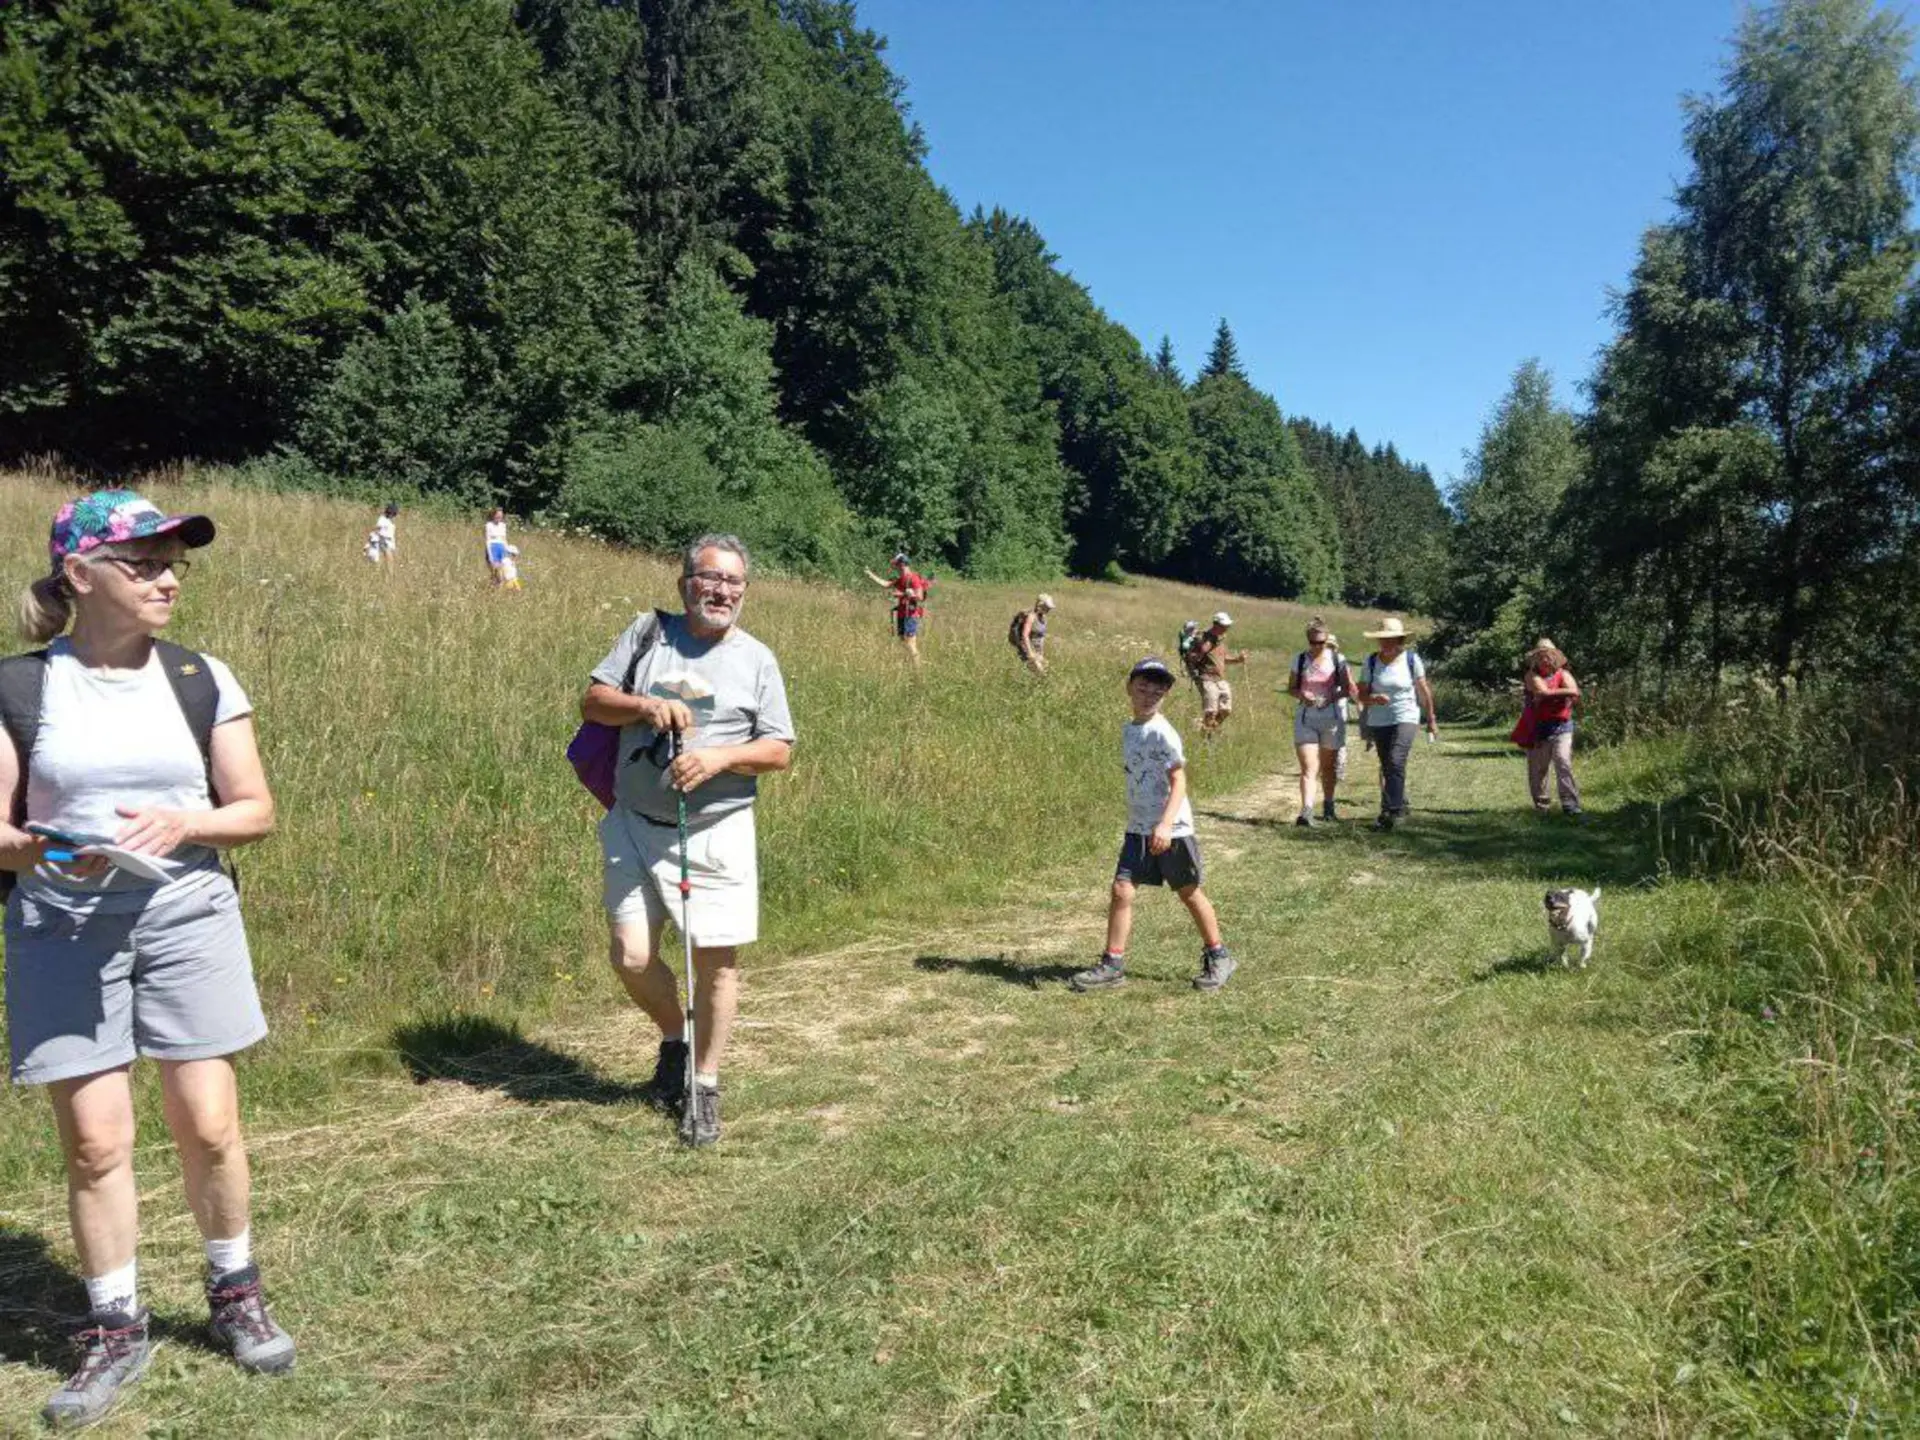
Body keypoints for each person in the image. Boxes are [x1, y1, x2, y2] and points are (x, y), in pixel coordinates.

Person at [0, 491, 294, 1430]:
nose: (168, 577)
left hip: (185, 912)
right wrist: (45, 850)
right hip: (62, 922)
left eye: (175, 562)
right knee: (95, 1141)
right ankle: (115, 1326)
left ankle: (234, 1290)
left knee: (209, 1122)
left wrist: (188, 821)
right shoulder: (20, 688)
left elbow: (254, 809)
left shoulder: (203, 678)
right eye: (144, 563)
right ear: (79, 576)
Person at [580, 534, 795, 1147]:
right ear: (684, 584)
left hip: (715, 827)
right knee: (632, 957)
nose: (722, 591)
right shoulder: (648, 633)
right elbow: (592, 701)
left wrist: (721, 758)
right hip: (633, 821)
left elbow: (778, 750)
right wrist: (645, 707)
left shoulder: (758, 659)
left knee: (716, 962)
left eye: (734, 583)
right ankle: (675, 1036)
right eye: (710, 578)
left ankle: (703, 1084)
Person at [1070, 657, 1235, 994]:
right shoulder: (1129, 729)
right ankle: (1113, 964)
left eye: (1157, 688)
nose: (1149, 693)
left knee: (1189, 893)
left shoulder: (1163, 732)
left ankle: (1219, 956)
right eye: (1143, 686)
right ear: (1129, 687)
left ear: (1166, 694)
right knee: (1121, 890)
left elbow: (1180, 782)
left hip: (1170, 829)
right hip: (1138, 828)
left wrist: (1164, 824)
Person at [1357, 616, 1438, 831]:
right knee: (1387, 765)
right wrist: (1374, 699)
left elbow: (1423, 690)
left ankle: (1391, 811)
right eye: (1383, 639)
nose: (1387, 643)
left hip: (1406, 716)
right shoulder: (1371, 661)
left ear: (1400, 639)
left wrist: (1431, 719)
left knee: (1395, 759)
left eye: (1392, 639)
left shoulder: (1412, 659)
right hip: (1379, 719)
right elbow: (1361, 694)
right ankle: (1399, 802)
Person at [1286, 618, 1356, 826]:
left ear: (1327, 640)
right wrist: (1302, 694)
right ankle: (1306, 810)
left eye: (1322, 642)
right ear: (1308, 641)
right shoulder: (1299, 660)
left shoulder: (1337, 659)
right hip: (1306, 718)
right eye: (1314, 642)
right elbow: (1290, 688)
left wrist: (1331, 697)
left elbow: (1346, 689)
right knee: (1309, 767)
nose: (1318, 646)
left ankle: (1328, 804)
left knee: (1328, 767)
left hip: (1331, 719)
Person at [1521, 637, 1582, 815]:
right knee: (1538, 769)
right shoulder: (1531, 675)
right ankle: (1542, 807)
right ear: (1535, 659)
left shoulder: (1563, 674)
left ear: (1554, 657)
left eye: (1548, 655)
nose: (1545, 659)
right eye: (1540, 656)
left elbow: (1574, 691)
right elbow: (1543, 691)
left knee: (1563, 762)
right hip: (1538, 727)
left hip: (1562, 726)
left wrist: (1551, 694)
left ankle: (1570, 805)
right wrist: (1563, 692)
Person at [1186, 611, 1248, 736]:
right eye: (1225, 626)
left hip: (1220, 678)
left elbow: (1222, 658)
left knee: (1226, 709)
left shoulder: (1220, 640)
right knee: (1211, 711)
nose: (1227, 628)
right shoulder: (1203, 638)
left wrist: (1238, 659)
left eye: (1228, 626)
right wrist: (1201, 650)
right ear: (1216, 625)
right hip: (1206, 678)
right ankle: (1206, 737)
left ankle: (1207, 728)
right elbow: (1191, 657)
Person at [863, 552, 931, 665]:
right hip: (901, 614)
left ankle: (918, 672)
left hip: (911, 615)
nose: (895, 567)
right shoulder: (901, 579)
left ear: (902, 564)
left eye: (897, 564)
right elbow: (886, 584)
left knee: (910, 644)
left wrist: (908, 594)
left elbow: (920, 596)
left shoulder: (913, 578)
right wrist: (871, 575)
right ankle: (908, 665)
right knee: (902, 642)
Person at [1325, 629, 1353, 783]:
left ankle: (1340, 767)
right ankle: (1326, 766)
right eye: (1325, 645)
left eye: (1330, 646)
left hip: (1339, 705)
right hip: (1320, 706)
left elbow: (1349, 683)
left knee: (1339, 737)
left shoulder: (1339, 660)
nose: (1327, 649)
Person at [1011, 593, 1055, 674]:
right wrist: (1030, 653)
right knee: (1040, 673)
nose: (1049, 609)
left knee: (1045, 669)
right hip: (1029, 649)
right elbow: (1025, 635)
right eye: (1047, 607)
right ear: (1040, 605)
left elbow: (1040, 634)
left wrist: (1040, 652)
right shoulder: (1031, 617)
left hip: (1038, 649)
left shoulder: (1043, 617)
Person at [365, 501, 398, 568]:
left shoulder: (389, 521)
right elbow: (376, 530)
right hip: (383, 542)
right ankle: (389, 575)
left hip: (388, 542)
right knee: (389, 560)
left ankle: (386, 574)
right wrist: (370, 542)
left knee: (388, 561)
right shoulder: (382, 519)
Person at [484, 507, 510, 585]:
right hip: (492, 548)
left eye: (501, 516)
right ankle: (493, 587)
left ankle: (500, 588)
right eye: (498, 516)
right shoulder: (488, 525)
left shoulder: (503, 525)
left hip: (501, 548)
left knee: (502, 572)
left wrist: (508, 550)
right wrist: (490, 555)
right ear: (493, 515)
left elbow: (504, 539)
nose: (499, 518)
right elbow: (488, 540)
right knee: (495, 572)